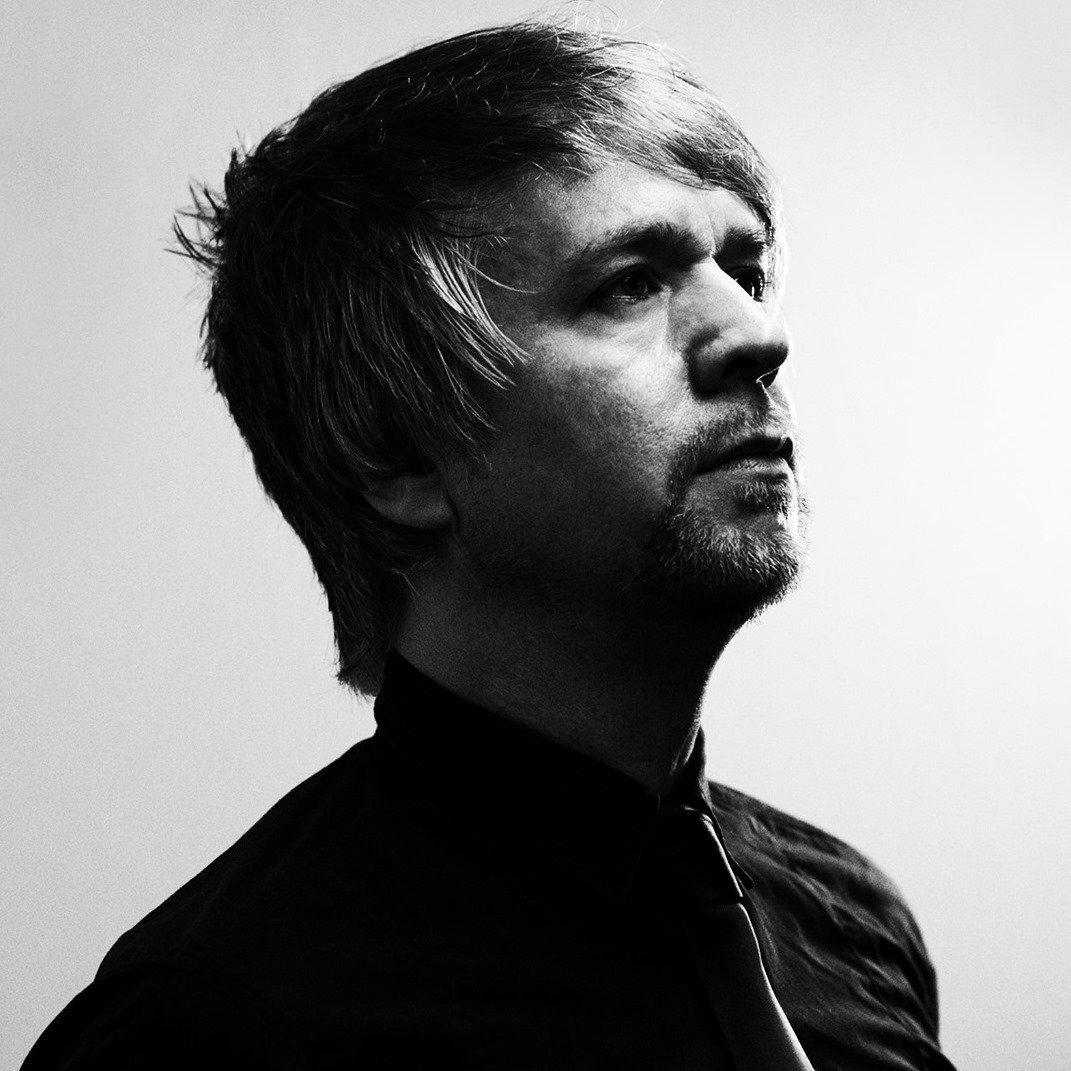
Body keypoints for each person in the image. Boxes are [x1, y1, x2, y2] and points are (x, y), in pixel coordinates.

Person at [22, 19, 957, 1071]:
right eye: (629, 283)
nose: (757, 332)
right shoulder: (215, 1029)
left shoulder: (852, 921)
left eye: (746, 269)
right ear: (398, 455)